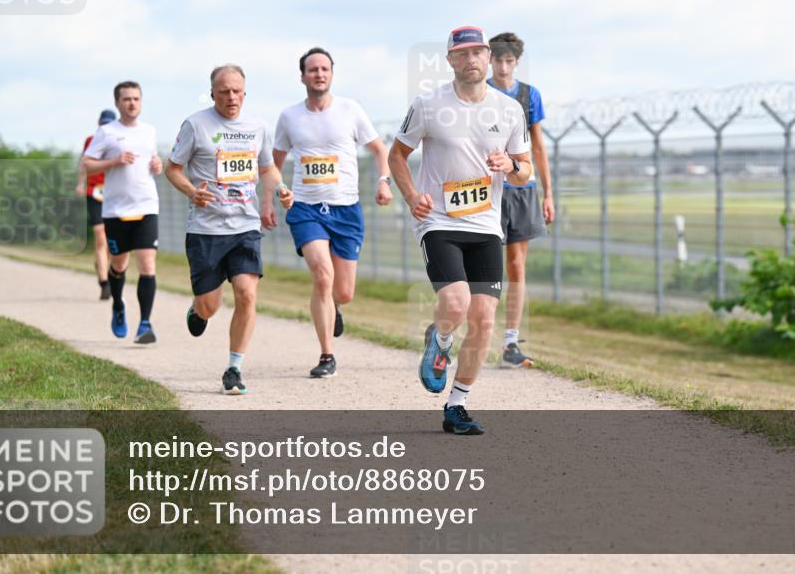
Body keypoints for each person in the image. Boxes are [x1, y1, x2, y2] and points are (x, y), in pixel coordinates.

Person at [388, 26, 531, 435]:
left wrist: (512, 167)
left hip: (486, 226)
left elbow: (525, 171)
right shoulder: (429, 105)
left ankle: (457, 405)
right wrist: (412, 194)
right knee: (455, 304)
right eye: (463, 53)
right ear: (450, 60)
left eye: (478, 52)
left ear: (488, 57)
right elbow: (397, 154)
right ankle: (442, 337)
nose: (472, 60)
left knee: (484, 320)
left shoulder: (509, 110)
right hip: (439, 222)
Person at [166, 64, 294, 395]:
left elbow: (266, 167)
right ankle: (198, 310)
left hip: (244, 226)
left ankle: (234, 368)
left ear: (245, 93)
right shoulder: (196, 124)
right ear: (213, 94)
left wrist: (280, 190)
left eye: (236, 91)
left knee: (247, 293)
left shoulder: (258, 127)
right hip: (206, 230)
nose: (231, 97)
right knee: (210, 305)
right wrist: (192, 191)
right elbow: (173, 169)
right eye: (224, 91)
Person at [273, 47, 393, 378]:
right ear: (303, 77)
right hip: (306, 209)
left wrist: (384, 182)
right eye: (313, 69)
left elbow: (379, 149)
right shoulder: (289, 117)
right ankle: (327, 354)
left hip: (346, 210)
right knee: (322, 276)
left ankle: (334, 306)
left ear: (332, 74)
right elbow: (275, 162)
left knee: (343, 291)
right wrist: (279, 190)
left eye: (324, 69)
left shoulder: (350, 110)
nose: (319, 74)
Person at [487, 32, 554, 368]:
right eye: (497, 60)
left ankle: (511, 342)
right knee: (483, 265)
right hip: (487, 191)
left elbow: (538, 147)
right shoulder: (480, 93)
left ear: (516, 61)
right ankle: (462, 326)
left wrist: (548, 192)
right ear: (489, 60)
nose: (502, 66)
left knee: (516, 265)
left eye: (508, 60)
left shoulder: (530, 95)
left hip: (523, 189)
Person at [82, 82, 161, 344]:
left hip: (147, 206)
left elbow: (154, 161)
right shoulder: (105, 132)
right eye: (126, 99)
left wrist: (157, 164)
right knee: (118, 264)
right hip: (116, 210)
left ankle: (145, 324)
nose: (132, 103)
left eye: (136, 98)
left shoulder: (149, 131)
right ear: (117, 103)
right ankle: (117, 304)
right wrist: (114, 161)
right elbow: (87, 165)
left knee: (148, 265)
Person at [76, 109, 117, 299]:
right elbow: (84, 164)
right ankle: (104, 282)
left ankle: (103, 268)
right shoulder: (90, 141)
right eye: (103, 124)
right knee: (101, 237)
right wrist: (81, 183)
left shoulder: (120, 142)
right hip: (95, 192)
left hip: (115, 194)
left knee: (111, 242)